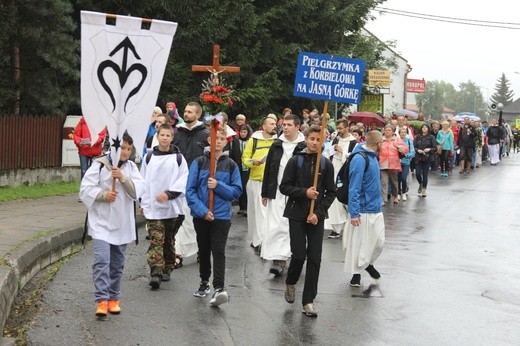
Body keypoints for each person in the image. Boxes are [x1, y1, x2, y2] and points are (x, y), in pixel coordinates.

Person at [79, 132, 145, 317]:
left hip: (121, 223)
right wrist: (103, 195)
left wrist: (123, 178)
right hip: (100, 223)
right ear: (114, 147)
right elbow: (85, 190)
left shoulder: (131, 167)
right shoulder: (99, 165)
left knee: (117, 263)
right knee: (102, 261)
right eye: (122, 148)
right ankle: (101, 300)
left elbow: (137, 192)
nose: (124, 152)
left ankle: (113, 298)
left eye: (128, 149)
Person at [279, 125, 336, 317]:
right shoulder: (296, 161)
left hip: (315, 218)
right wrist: (305, 192)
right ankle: (291, 281)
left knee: (315, 258)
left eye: (319, 139)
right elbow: (284, 187)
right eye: (312, 138)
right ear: (306, 138)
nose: (314, 142)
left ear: (324, 141)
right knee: (299, 255)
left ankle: (309, 301)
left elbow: (331, 192)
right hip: (296, 214)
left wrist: (318, 213)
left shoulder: (327, 164)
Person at [186, 127, 242, 307]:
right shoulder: (199, 162)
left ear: (226, 141)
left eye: (222, 138)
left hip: (222, 216)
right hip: (202, 215)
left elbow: (236, 192)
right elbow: (190, 191)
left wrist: (218, 186)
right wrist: (203, 211)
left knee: (218, 250)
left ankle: (219, 287)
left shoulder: (231, 165)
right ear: (209, 140)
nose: (218, 141)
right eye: (215, 138)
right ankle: (204, 281)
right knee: (204, 249)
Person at [140, 124, 189, 289]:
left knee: (168, 240)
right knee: (156, 240)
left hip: (172, 206)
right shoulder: (149, 157)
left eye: (168, 135)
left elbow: (183, 180)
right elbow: (143, 181)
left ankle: (168, 267)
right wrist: (143, 202)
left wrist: (169, 194)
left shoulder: (179, 158)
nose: (165, 138)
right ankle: (156, 272)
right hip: (153, 207)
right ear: (157, 136)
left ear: (171, 138)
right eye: (162, 135)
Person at [261, 114, 305, 276]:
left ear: (297, 127)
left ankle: (293, 255)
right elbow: (269, 169)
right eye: (284, 125)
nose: (285, 128)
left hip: (296, 193)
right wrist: (265, 192)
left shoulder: (304, 146)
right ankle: (278, 259)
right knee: (276, 225)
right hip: (277, 191)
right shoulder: (277, 145)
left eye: (289, 125)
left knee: (291, 226)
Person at [343, 130, 385, 288]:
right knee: (359, 244)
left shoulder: (374, 157)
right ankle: (356, 275)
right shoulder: (360, 159)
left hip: (376, 207)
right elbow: (354, 188)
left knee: (379, 242)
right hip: (362, 209)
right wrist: (354, 212)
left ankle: (367, 263)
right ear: (378, 143)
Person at [173, 102, 210, 263]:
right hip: (179, 181)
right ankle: (177, 253)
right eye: (185, 111)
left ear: (198, 115)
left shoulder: (205, 135)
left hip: (197, 183)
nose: (186, 114)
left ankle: (201, 249)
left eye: (190, 112)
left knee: (197, 218)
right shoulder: (177, 133)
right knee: (179, 216)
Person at [241, 116, 277, 252]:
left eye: (275, 123)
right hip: (255, 181)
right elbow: (245, 158)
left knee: (266, 213)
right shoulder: (254, 140)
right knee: (255, 212)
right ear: (264, 126)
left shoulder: (278, 141)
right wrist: (253, 162)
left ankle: (263, 241)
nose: (275, 126)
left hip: (271, 182)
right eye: (271, 124)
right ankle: (257, 240)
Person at [326, 118, 357, 238]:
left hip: (344, 172)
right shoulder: (335, 139)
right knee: (333, 198)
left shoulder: (353, 142)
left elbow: (353, 158)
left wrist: (343, 151)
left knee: (343, 197)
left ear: (347, 128)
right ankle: (336, 228)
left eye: (341, 128)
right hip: (334, 169)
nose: (338, 130)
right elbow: (328, 153)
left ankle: (348, 225)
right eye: (337, 128)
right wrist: (332, 150)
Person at [379, 125, 407, 205]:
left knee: (394, 182)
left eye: (389, 130)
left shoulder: (397, 140)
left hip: (393, 163)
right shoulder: (381, 140)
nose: (387, 132)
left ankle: (395, 196)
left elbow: (405, 149)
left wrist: (399, 147)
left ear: (393, 132)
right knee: (384, 182)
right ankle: (384, 200)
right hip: (383, 162)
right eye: (386, 130)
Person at [414, 124, 437, 197]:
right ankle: (420, 183)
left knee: (425, 174)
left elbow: (435, 148)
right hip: (418, 157)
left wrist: (429, 149)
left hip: (427, 158)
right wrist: (418, 150)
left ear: (428, 129)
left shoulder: (431, 137)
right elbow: (414, 146)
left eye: (426, 127)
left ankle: (424, 189)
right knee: (417, 173)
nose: (424, 129)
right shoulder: (418, 137)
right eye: (423, 127)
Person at [237, 125, 251, 216]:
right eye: (241, 132)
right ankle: (241, 207)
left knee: (246, 186)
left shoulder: (250, 141)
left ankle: (246, 207)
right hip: (239, 166)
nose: (243, 134)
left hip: (247, 167)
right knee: (240, 186)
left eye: (245, 132)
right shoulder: (236, 141)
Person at [397, 127, 415, 200]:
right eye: (401, 132)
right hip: (397, 162)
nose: (403, 133)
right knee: (398, 179)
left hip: (406, 162)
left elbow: (413, 152)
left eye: (404, 132)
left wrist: (406, 155)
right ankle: (398, 193)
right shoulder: (396, 141)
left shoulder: (409, 141)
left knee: (403, 178)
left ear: (407, 133)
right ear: (399, 133)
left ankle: (404, 192)